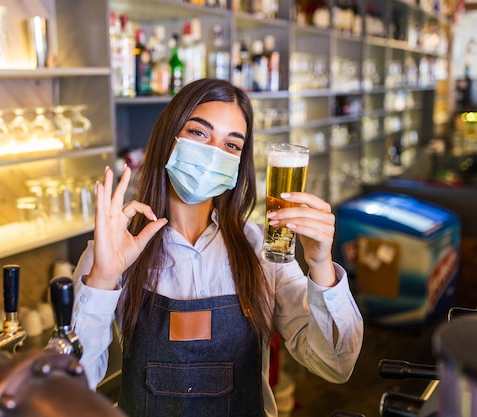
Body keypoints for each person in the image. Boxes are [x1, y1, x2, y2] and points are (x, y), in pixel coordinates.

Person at [71, 78, 363, 417]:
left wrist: (320, 264)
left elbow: (336, 364)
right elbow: (68, 387)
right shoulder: (115, 250)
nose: (213, 153)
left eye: (231, 145)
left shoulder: (260, 248)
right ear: (169, 138)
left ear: (239, 163)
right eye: (199, 133)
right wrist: (104, 278)